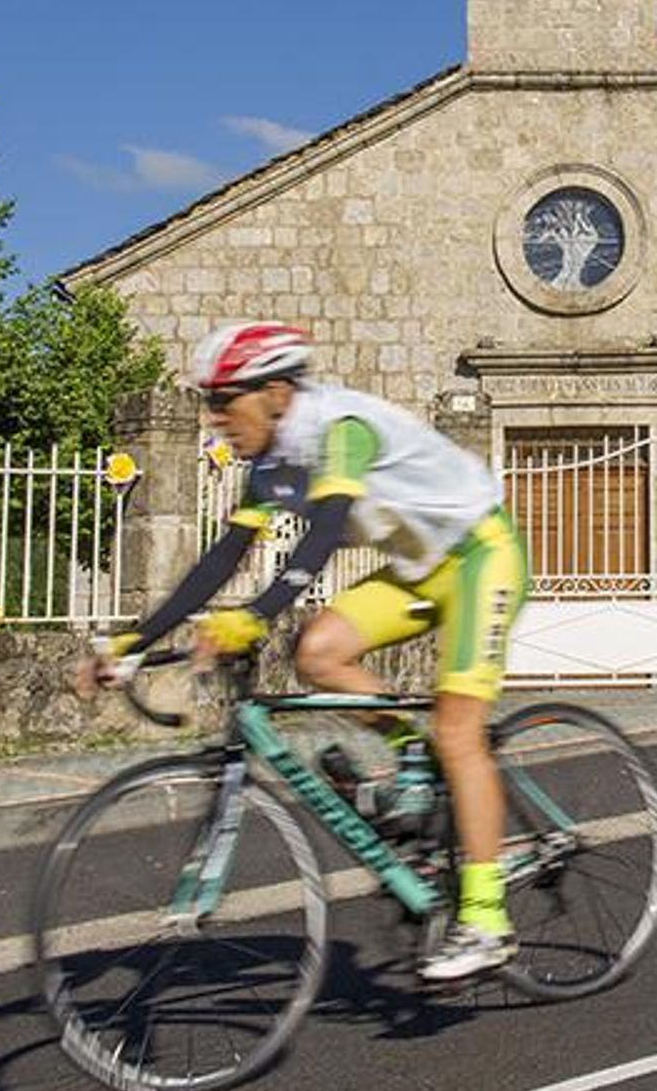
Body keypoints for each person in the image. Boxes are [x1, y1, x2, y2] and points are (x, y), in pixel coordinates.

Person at [79, 322, 532, 982]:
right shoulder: (269, 462)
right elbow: (224, 556)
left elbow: (321, 533)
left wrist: (257, 614)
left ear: (276, 390)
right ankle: (410, 751)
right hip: (417, 568)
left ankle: (488, 920)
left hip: (479, 556)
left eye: (225, 400)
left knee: (459, 728)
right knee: (317, 652)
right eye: (210, 402)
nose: (215, 419)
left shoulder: (340, 428)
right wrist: (134, 641)